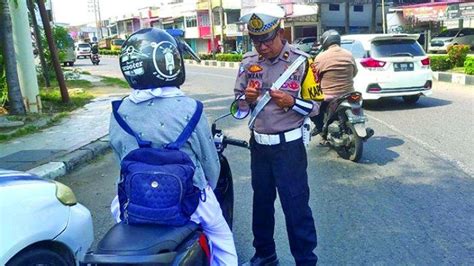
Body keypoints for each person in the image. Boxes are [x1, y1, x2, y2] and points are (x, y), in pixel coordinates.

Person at [108, 28, 237, 265]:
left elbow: (121, 158)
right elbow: (210, 167)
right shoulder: (191, 109)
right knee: (222, 238)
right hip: (189, 201)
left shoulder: (119, 111)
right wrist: (207, 187)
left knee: (118, 215)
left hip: (135, 201)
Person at [234, 4, 324, 266]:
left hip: (289, 149)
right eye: (255, 41)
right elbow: (238, 109)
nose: (261, 47)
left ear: (281, 33)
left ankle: (305, 260)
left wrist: (291, 102)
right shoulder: (248, 64)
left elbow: (317, 105)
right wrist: (246, 100)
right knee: (261, 206)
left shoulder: (301, 62)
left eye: (266, 40)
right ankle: (265, 255)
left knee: (296, 208)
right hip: (259, 147)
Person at [310, 29, 358, 137]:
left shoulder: (320, 57)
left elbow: (314, 78)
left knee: (311, 108)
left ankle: (319, 127)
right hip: (349, 93)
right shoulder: (349, 54)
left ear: (325, 42)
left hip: (329, 96)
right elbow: (354, 73)